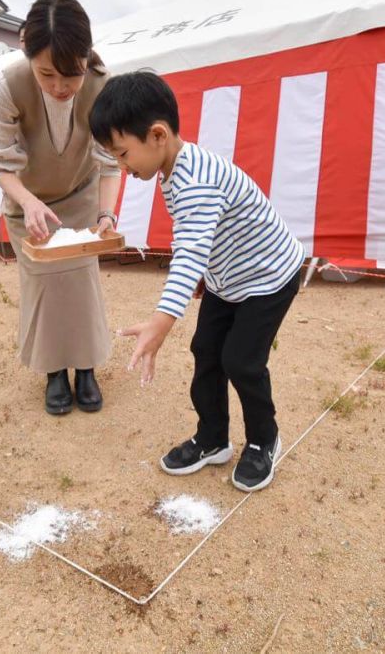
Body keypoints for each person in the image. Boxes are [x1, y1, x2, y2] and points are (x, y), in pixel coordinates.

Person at [89, 72, 305, 493]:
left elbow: (189, 254)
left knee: (241, 360)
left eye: (122, 154)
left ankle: (264, 439)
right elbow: (194, 240)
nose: (121, 166)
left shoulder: (196, 181)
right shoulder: (173, 168)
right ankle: (213, 439)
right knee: (206, 350)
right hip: (229, 278)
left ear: (156, 135)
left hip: (269, 277)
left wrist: (160, 320)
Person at [0, 0, 120, 415]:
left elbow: (110, 161)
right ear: (28, 56)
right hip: (27, 200)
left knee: (80, 282)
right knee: (41, 284)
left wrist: (106, 214)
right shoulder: (8, 86)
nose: (60, 86)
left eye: (70, 75)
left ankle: (86, 368)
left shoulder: (99, 84)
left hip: (79, 194)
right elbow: (0, 164)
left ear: (86, 57)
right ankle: (54, 372)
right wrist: (28, 202)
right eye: (46, 74)